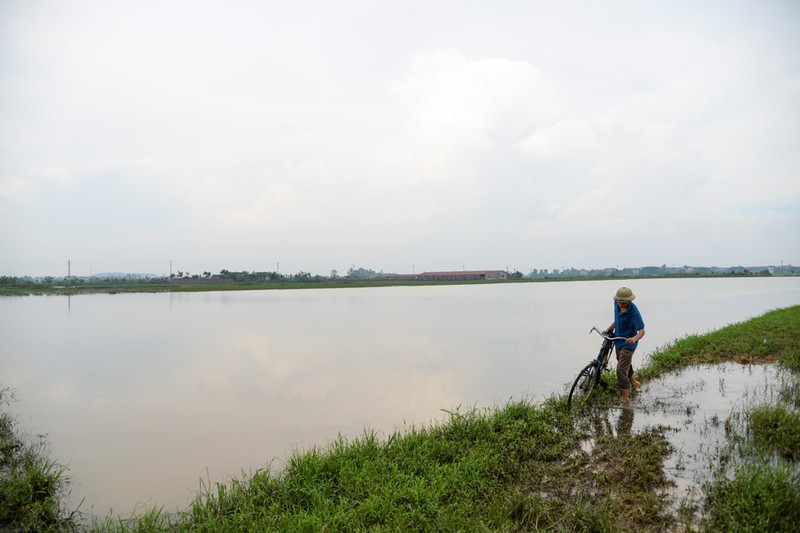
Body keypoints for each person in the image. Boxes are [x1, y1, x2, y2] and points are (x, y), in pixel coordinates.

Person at [605, 287, 645, 405]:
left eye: (623, 302)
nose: (620, 304)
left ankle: (625, 398)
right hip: (618, 340)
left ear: (629, 301)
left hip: (628, 343)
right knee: (624, 363)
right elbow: (617, 318)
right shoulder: (616, 304)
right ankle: (633, 382)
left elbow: (642, 331)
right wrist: (612, 326)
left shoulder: (633, 311)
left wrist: (634, 339)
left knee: (621, 370)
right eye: (619, 301)